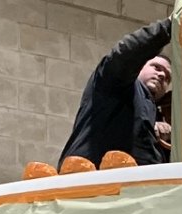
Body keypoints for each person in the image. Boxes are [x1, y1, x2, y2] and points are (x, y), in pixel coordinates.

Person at [59, 18, 174, 167]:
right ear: (140, 66)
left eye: (167, 77)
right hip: (93, 175)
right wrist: (170, 26)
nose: (162, 75)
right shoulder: (114, 83)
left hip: (133, 179)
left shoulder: (154, 113)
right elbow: (127, 54)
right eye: (156, 67)